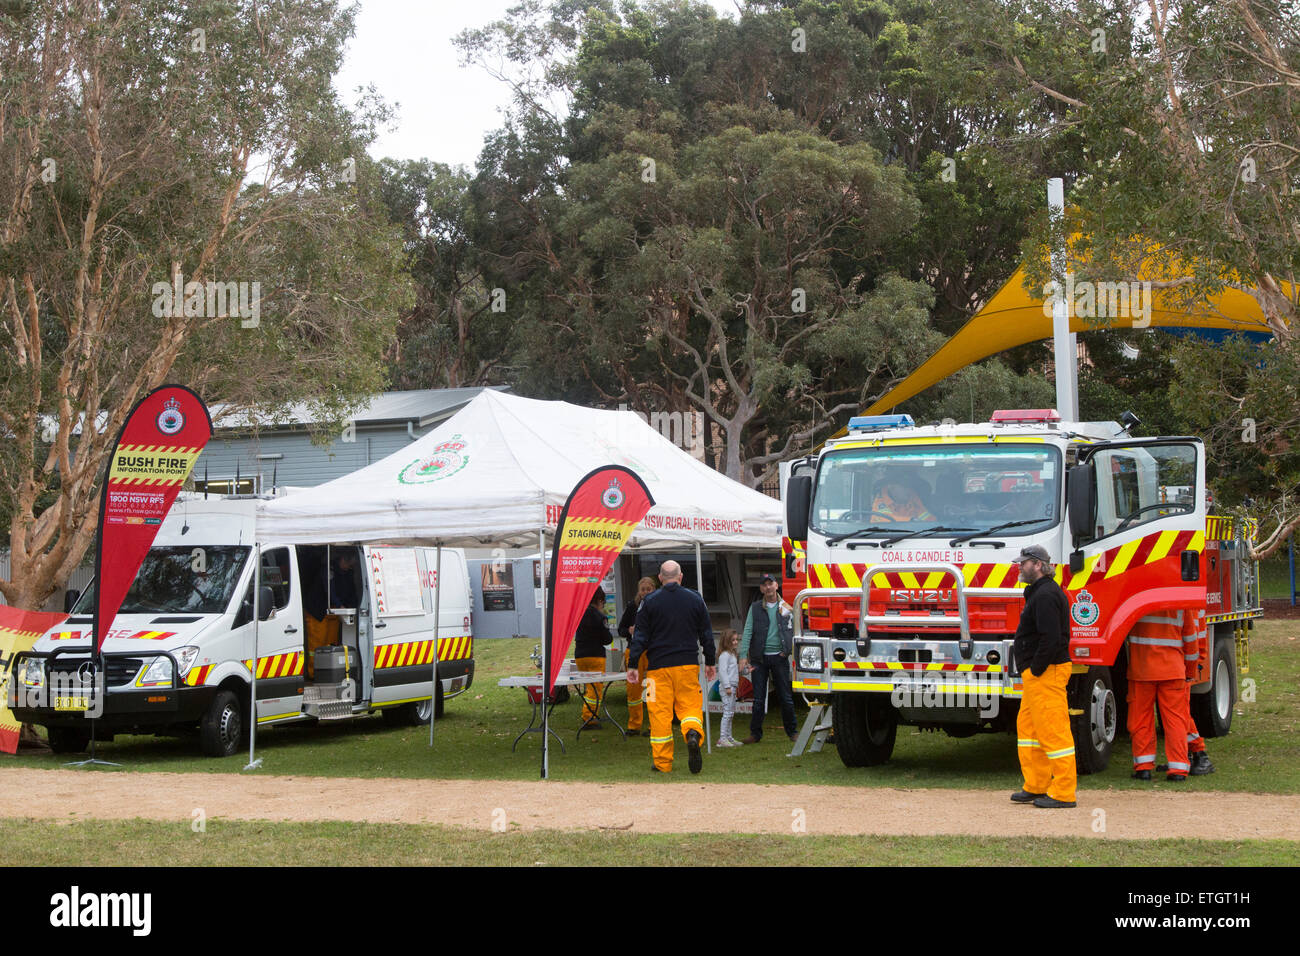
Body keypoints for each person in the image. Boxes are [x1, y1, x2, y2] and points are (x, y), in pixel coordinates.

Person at [626, 560, 716, 774]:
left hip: (657, 668)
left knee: (659, 713)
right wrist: (710, 661)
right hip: (687, 665)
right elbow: (706, 634)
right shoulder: (695, 599)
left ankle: (662, 762)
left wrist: (633, 664)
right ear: (681, 576)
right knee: (690, 707)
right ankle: (692, 733)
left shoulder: (648, 602)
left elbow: (639, 636)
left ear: (659, 578)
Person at [1010, 544, 1077, 808]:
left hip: (1046, 673)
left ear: (1038, 565)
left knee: (1053, 731)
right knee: (1029, 729)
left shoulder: (1047, 595)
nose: (1019, 567)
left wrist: (1035, 669)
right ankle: (1036, 784)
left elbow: (1051, 639)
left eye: (1024, 563)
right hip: (1038, 674)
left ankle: (1063, 792)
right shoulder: (1039, 592)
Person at [1126, 608, 1194, 782]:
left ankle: (1143, 768)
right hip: (1173, 670)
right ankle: (1178, 769)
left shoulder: (1137, 600)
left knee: (1140, 719)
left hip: (1142, 670)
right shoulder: (1180, 605)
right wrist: (1190, 671)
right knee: (1176, 720)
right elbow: (1191, 641)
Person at [742, 573, 797, 745]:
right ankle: (755, 734)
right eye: (764, 585)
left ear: (776, 585)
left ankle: (792, 732)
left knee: (786, 697)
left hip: (779, 658)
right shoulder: (755, 607)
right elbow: (748, 631)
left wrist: (788, 651)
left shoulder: (787, 607)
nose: (768, 587)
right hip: (759, 659)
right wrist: (743, 655)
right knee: (758, 699)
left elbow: (795, 631)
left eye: (770, 583)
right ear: (761, 589)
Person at [618, 576, 657, 735]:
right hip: (633, 651)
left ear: (654, 589)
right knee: (633, 689)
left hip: (652, 651)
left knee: (652, 689)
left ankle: (653, 725)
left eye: (649, 589)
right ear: (638, 591)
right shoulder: (632, 606)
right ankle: (634, 725)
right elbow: (621, 629)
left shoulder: (658, 605)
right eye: (643, 589)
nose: (645, 592)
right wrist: (629, 630)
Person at [573, 587, 614, 729]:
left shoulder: (580, 614)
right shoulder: (599, 616)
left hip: (580, 655)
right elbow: (607, 639)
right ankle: (589, 718)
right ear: (599, 600)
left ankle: (588, 714)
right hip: (595, 655)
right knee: (595, 689)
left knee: (588, 687)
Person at [715, 628, 743, 747]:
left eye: (737, 640)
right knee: (727, 712)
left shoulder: (733, 655)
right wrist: (727, 686)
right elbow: (722, 672)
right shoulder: (724, 656)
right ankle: (722, 738)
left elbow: (734, 670)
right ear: (727, 641)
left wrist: (746, 670)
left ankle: (728, 737)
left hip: (733, 686)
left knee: (730, 713)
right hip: (728, 687)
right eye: (733, 640)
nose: (736, 642)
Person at [871, 478, 935, 522]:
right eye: (904, 486)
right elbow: (882, 521)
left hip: (915, 536)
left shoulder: (912, 496)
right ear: (891, 487)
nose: (908, 490)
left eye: (909, 486)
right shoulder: (880, 499)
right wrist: (910, 520)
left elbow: (927, 517)